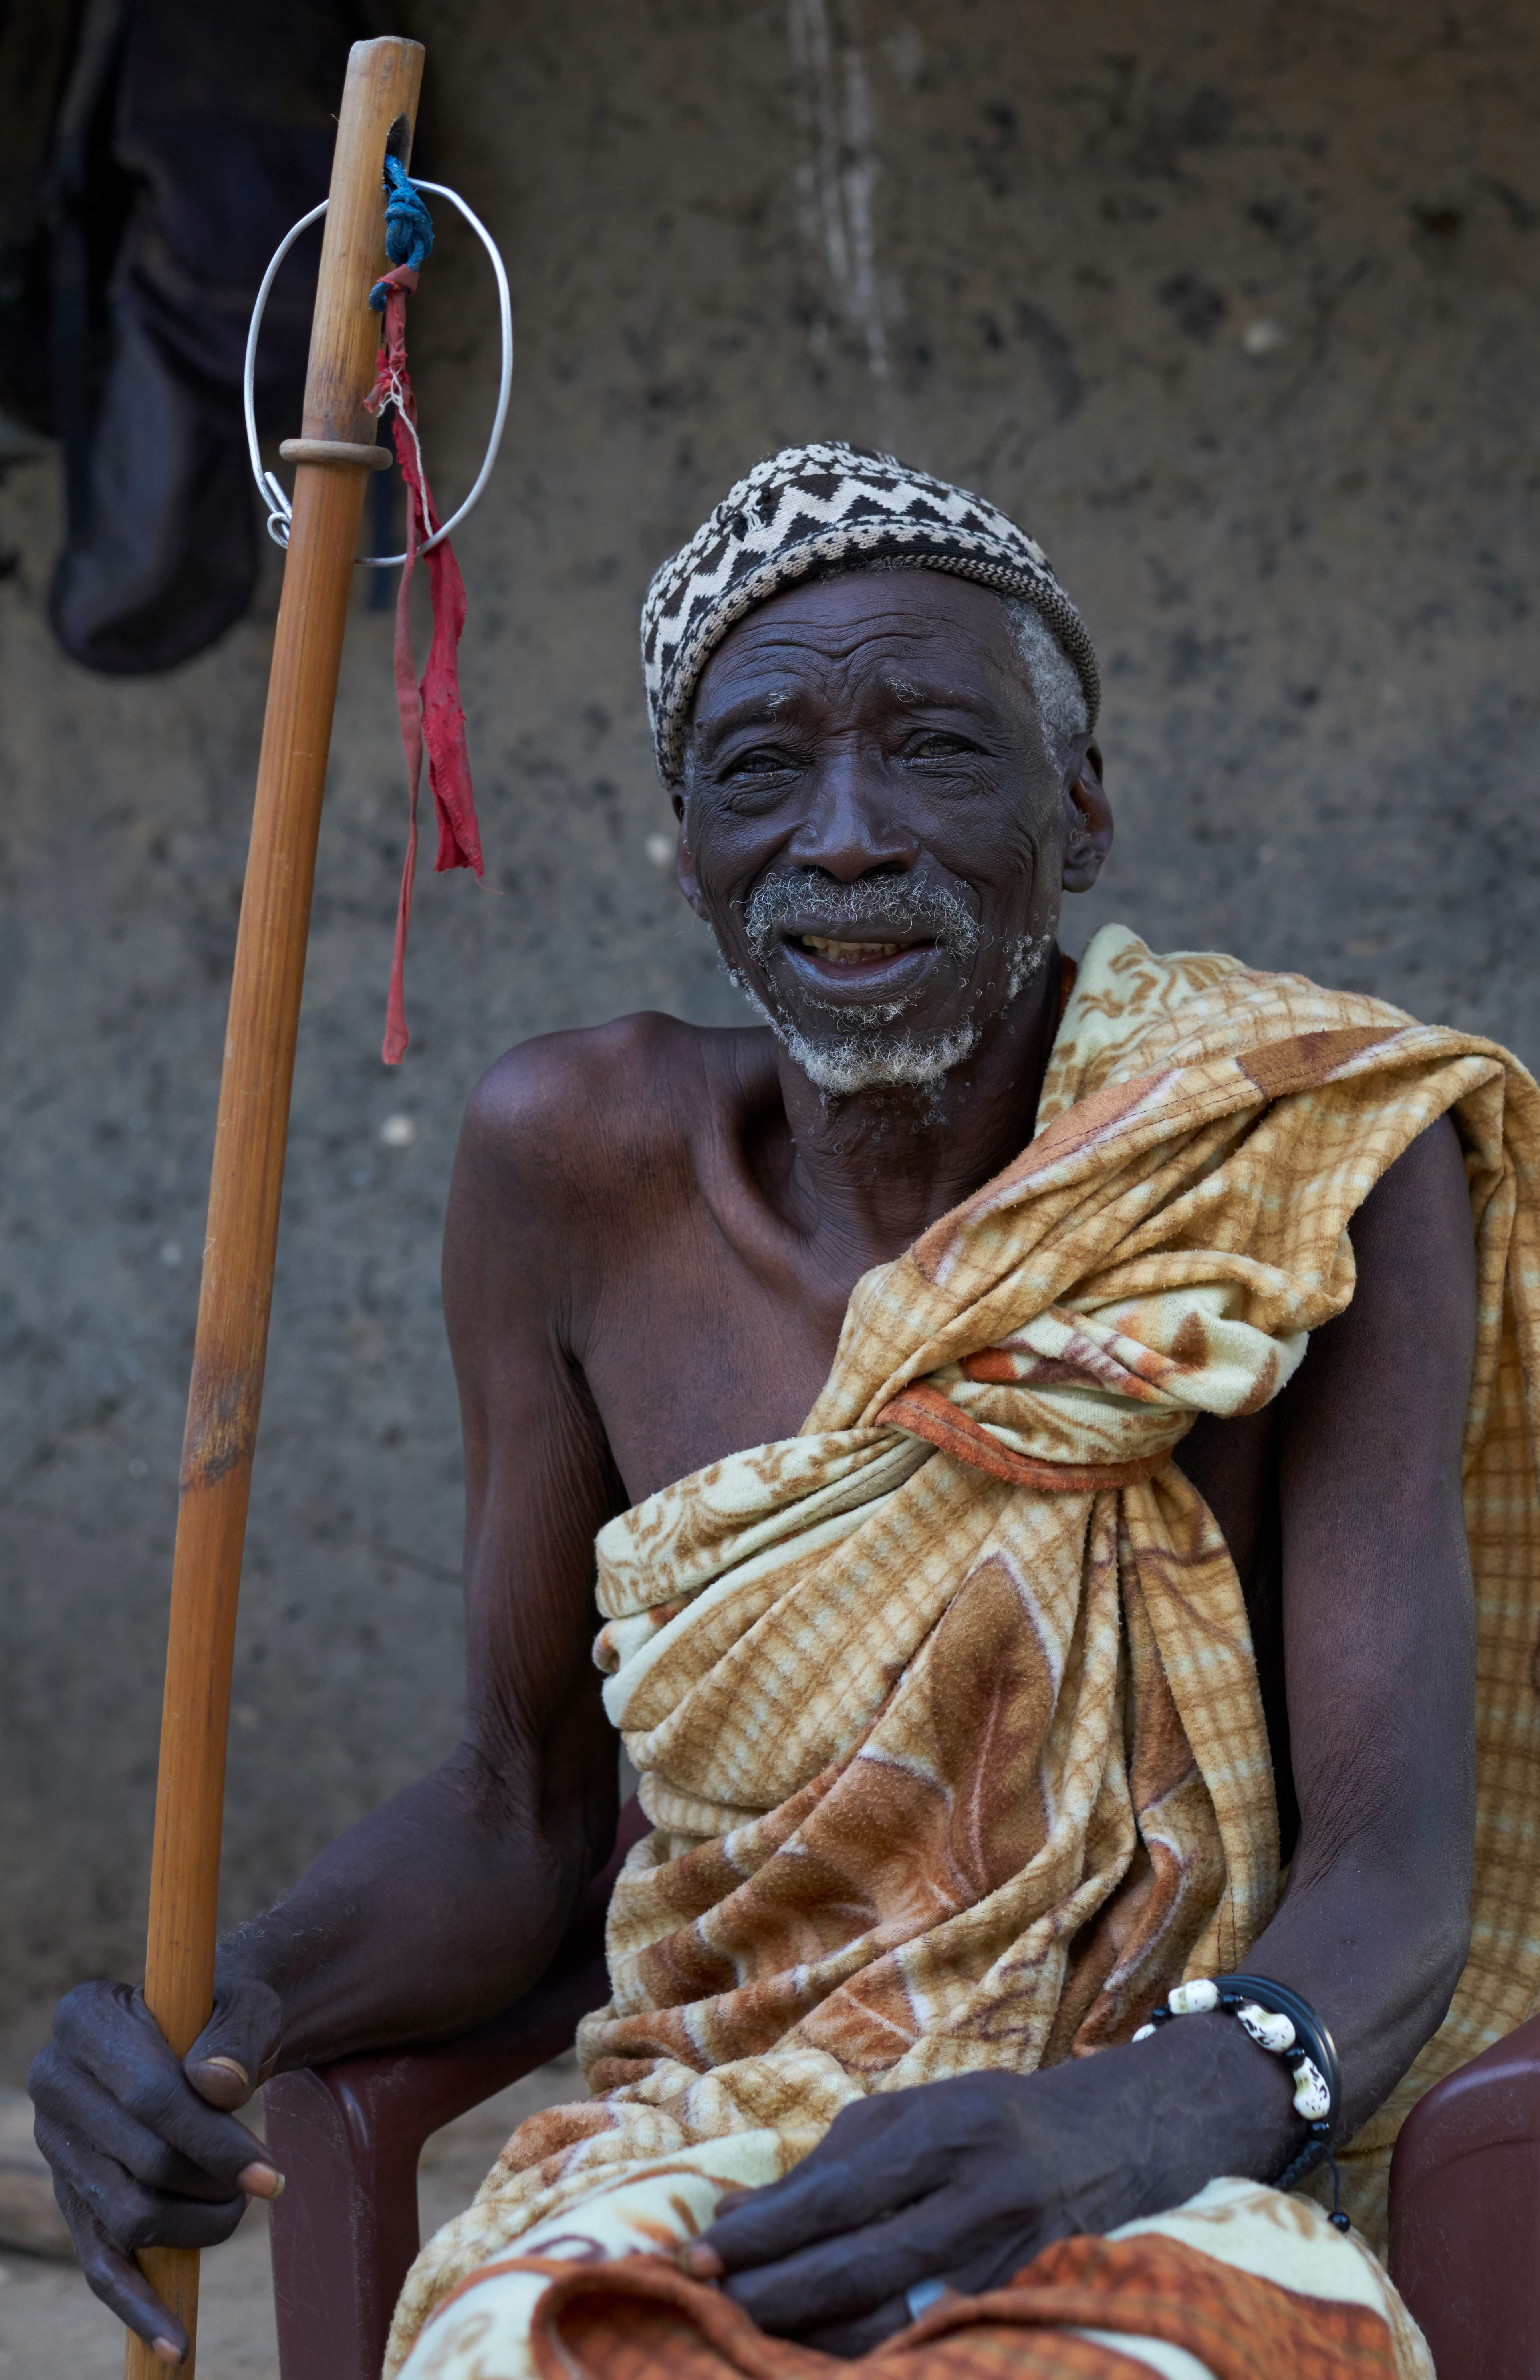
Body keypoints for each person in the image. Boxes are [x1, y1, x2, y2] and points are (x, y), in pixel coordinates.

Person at [30, 443, 1540, 2379]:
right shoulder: (566, 1169)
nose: (843, 835)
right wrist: (203, 2023)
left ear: (1076, 812)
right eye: (761, 771)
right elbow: (521, 1816)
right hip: (695, 2140)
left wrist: (1120, 2125)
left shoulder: (1297, 1161)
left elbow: (1391, 1867)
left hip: (1173, 2164)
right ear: (683, 844)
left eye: (933, 750)